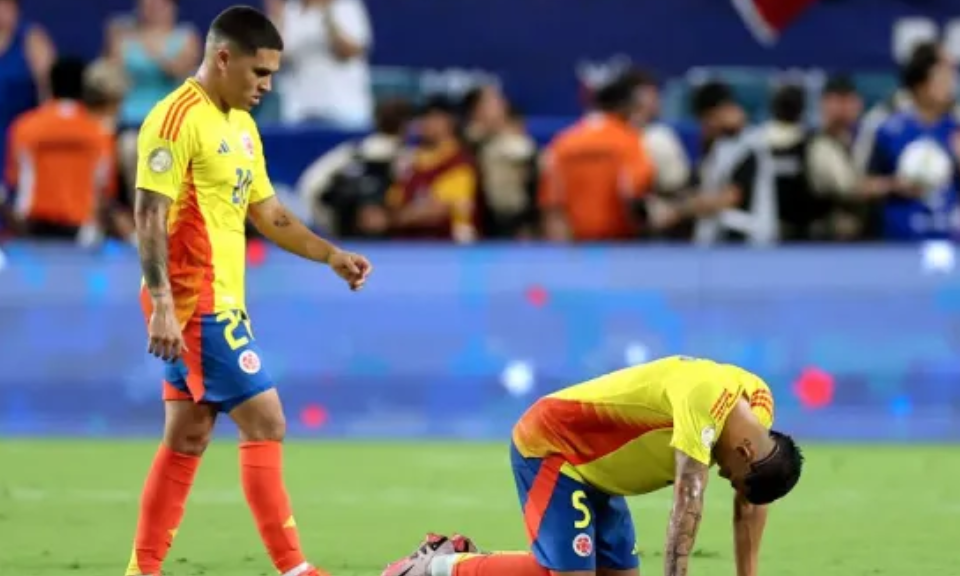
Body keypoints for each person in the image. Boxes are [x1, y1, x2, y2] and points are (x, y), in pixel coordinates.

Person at [125, 6, 372, 576]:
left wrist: (330, 254)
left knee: (187, 436)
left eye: (273, 75)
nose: (267, 85)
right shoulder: (175, 118)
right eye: (259, 73)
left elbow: (270, 214)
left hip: (221, 299)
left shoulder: (242, 125)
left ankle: (143, 568)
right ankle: (295, 569)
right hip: (192, 300)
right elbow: (148, 213)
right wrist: (162, 302)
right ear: (223, 57)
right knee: (267, 421)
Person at [383, 355, 804, 576]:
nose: (723, 474)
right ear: (746, 453)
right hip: (554, 449)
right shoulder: (705, 399)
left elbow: (751, 499)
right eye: (729, 475)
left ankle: (454, 557)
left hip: (601, 477)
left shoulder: (757, 415)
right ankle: (436, 567)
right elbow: (687, 502)